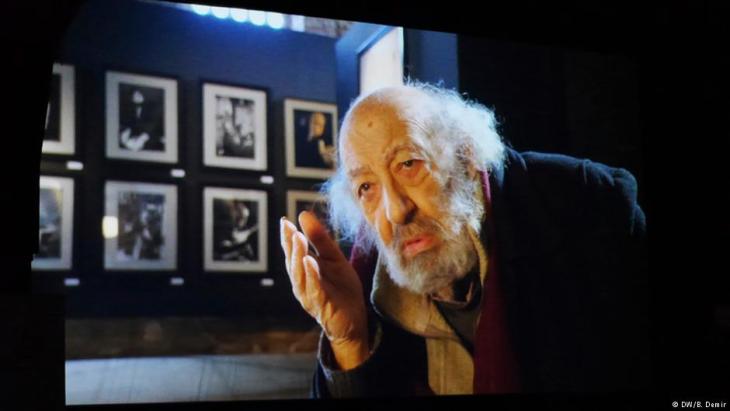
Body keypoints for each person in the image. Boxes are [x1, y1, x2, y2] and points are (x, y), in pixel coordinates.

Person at [279, 82, 649, 396]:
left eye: (409, 165)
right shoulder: (363, 280)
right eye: (367, 187)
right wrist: (348, 340)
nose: (395, 211)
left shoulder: (590, 203)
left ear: (465, 154)